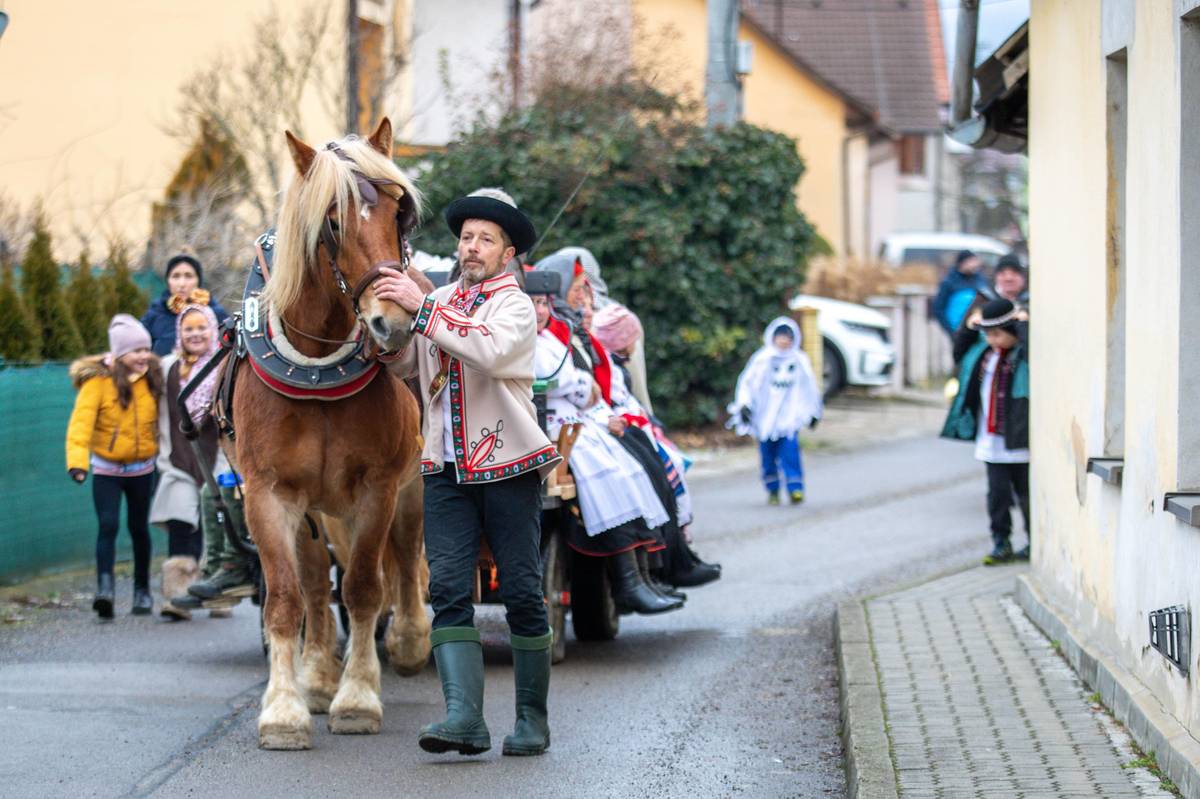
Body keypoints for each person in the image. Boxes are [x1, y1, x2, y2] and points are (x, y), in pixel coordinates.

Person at [373, 187, 559, 758]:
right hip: (444, 466)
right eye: (466, 237)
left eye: (485, 239)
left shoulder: (516, 304)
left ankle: (532, 720)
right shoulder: (442, 296)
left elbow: (490, 350)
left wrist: (423, 308)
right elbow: (410, 363)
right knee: (449, 589)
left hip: (509, 466)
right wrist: (387, 332)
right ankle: (464, 719)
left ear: (508, 253)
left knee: (523, 593)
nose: (471, 248)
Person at [528, 274, 683, 614]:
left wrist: (583, 388)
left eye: (543, 304)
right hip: (549, 428)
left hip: (573, 420)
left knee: (629, 468)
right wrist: (584, 387)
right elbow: (565, 381)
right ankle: (627, 581)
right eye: (532, 304)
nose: (539, 311)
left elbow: (577, 383)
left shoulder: (547, 338)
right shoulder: (525, 339)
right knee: (609, 473)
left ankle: (639, 577)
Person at [66, 315, 162, 619]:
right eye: (136, 351)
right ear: (120, 354)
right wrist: (78, 464)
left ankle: (142, 591)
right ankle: (105, 590)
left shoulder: (153, 379)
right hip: (107, 469)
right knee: (107, 525)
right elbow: (80, 425)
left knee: (139, 529)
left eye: (146, 349)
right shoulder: (98, 383)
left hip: (142, 469)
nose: (143, 356)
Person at [148, 304, 230, 620]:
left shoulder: (222, 367)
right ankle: (178, 594)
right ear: (179, 334)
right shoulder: (166, 367)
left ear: (212, 330)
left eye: (201, 328)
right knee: (182, 523)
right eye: (188, 329)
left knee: (218, 527)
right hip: (178, 460)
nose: (195, 334)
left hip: (218, 461)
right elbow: (131, 376)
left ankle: (217, 592)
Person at [941, 299, 1030, 564]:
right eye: (988, 334)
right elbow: (959, 353)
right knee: (997, 495)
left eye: (997, 334)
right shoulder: (985, 356)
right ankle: (1000, 542)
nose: (992, 340)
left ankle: (1034, 542)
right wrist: (969, 329)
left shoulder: (1023, 356)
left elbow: (1030, 348)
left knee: (1026, 496)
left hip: (1019, 439)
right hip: (991, 440)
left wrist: (1023, 324)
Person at [729, 317, 822, 505]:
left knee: (790, 453)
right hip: (765, 419)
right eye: (780, 337)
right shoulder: (762, 360)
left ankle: (795, 488)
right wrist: (744, 405)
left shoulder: (799, 361)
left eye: (788, 337)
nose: (784, 341)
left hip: (789, 420)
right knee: (767, 457)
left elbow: (809, 388)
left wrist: (813, 413)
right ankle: (772, 489)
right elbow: (747, 383)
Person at [141, 252, 230, 356]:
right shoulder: (154, 314)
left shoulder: (216, 315)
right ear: (168, 281)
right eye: (175, 276)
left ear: (198, 280)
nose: (182, 284)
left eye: (188, 276)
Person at [952, 253, 1029, 364]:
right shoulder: (983, 300)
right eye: (1003, 274)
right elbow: (961, 343)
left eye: (1014, 273)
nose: (1009, 278)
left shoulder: (1032, 302)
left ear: (1023, 278)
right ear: (996, 277)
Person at [932, 250, 989, 337]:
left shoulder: (980, 280)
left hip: (978, 329)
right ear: (962, 263)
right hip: (957, 330)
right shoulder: (949, 282)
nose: (975, 264)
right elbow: (938, 308)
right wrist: (950, 330)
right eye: (971, 261)